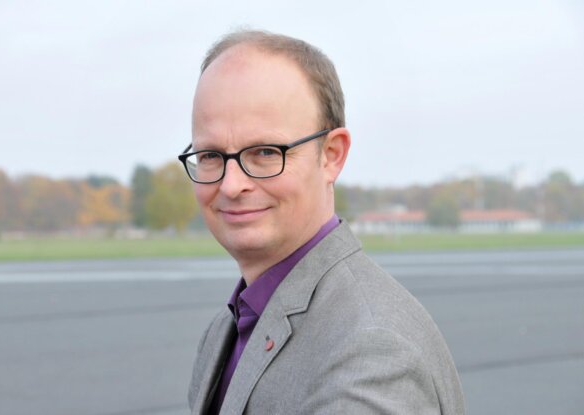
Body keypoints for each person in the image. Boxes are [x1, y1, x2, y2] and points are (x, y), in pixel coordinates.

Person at [181, 30, 465, 415]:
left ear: (331, 155)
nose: (231, 185)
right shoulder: (228, 327)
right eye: (211, 155)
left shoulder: (373, 351)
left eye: (265, 152)